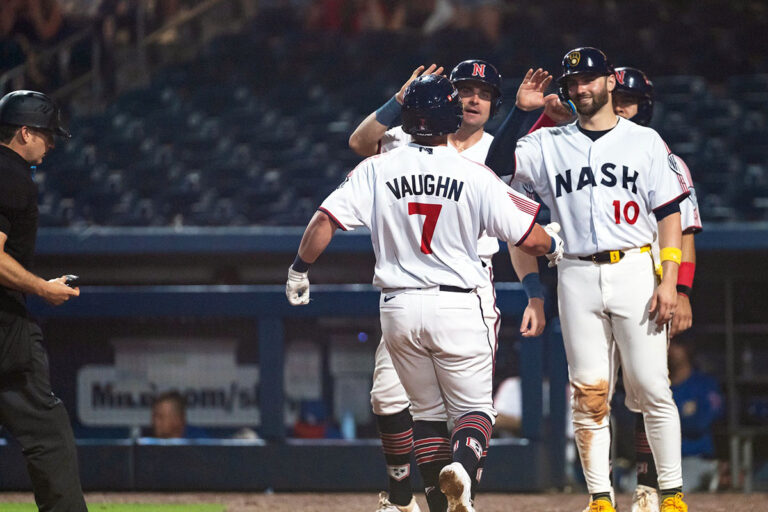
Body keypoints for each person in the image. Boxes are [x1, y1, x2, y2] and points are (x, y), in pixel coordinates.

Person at [287, 74, 564, 512]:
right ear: (449, 117)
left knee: (426, 416)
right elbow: (528, 239)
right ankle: (461, 471)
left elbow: (323, 222)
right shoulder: (472, 173)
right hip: (459, 302)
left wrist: (299, 271)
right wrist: (555, 243)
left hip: (398, 306)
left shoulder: (378, 168)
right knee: (474, 414)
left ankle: (436, 500)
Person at [485, 47, 690, 512]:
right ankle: (600, 498)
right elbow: (496, 169)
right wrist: (521, 113)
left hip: (637, 266)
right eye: (573, 83)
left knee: (653, 385)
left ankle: (672, 495)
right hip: (575, 270)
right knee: (589, 392)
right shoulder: (547, 143)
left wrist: (670, 279)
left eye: (590, 80)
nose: (581, 89)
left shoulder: (644, 141)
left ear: (610, 83)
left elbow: (669, 215)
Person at [349, 60, 546, 512]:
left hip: (467, 285)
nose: (474, 98)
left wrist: (533, 291)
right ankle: (404, 499)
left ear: (495, 104)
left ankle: (442, 501)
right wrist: (399, 101)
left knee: (458, 413)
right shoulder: (407, 140)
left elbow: (516, 232)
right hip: (408, 285)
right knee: (387, 399)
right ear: (449, 100)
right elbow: (360, 142)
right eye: (465, 90)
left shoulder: (501, 152)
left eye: (483, 92)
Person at [0, 89, 87, 511]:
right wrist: (41, 288)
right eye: (46, 135)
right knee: (48, 434)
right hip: (4, 329)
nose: (51, 143)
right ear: (23, 132)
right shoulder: (11, 174)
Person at [667, 340, 723, 492]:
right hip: (659, 462)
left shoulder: (704, 384)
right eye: (667, 344)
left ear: (688, 349)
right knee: (634, 488)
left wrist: (667, 426)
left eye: (676, 344)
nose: (670, 349)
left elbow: (700, 423)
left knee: (673, 492)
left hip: (695, 458)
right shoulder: (657, 386)